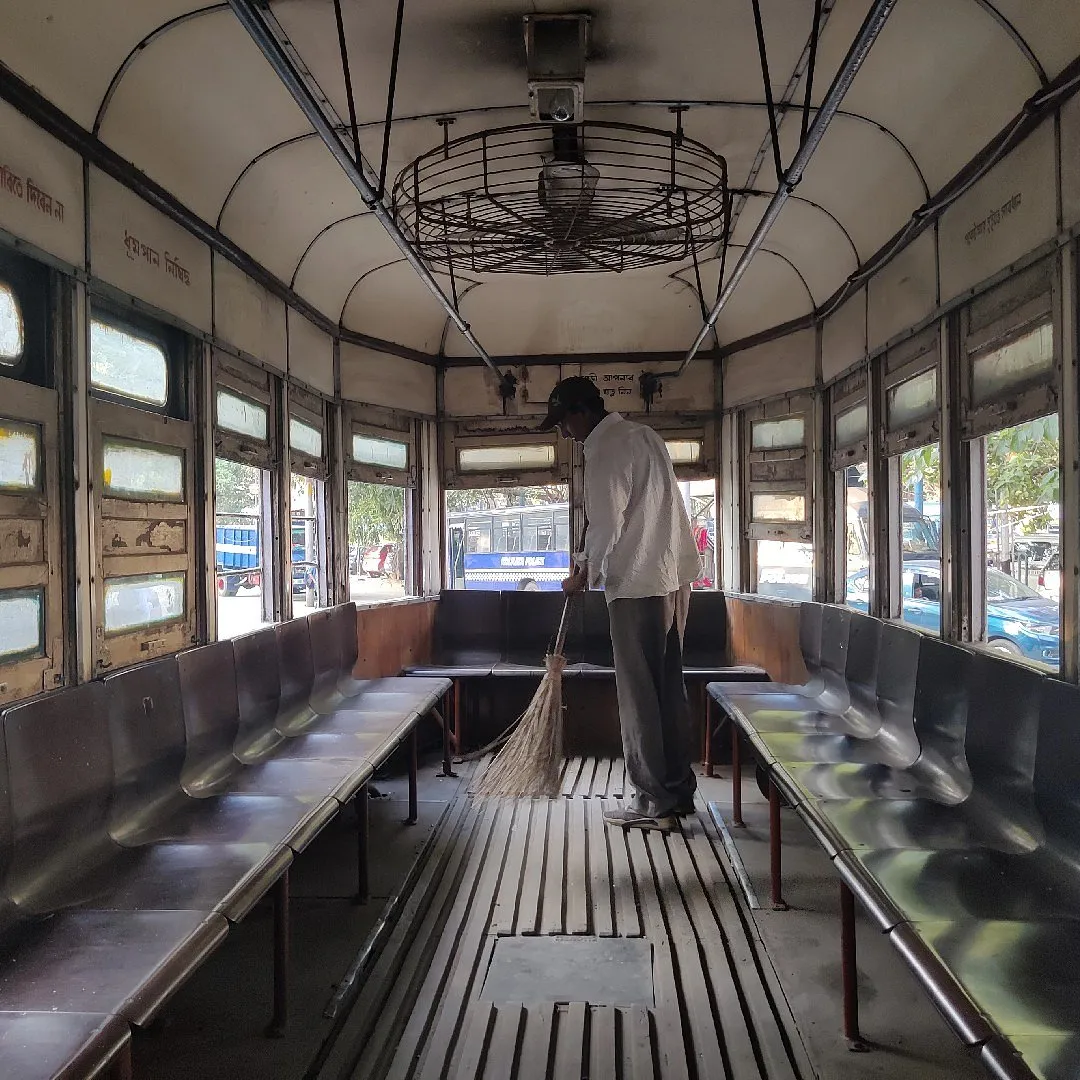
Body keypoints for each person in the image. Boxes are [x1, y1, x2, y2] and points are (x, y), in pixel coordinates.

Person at [539, 376, 702, 833]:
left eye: (565, 422)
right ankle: (676, 792)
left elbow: (607, 523)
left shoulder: (605, 449)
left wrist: (582, 572)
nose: (564, 433)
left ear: (582, 412)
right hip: (671, 580)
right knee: (667, 691)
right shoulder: (644, 436)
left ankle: (653, 803)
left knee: (639, 698)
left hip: (636, 585)